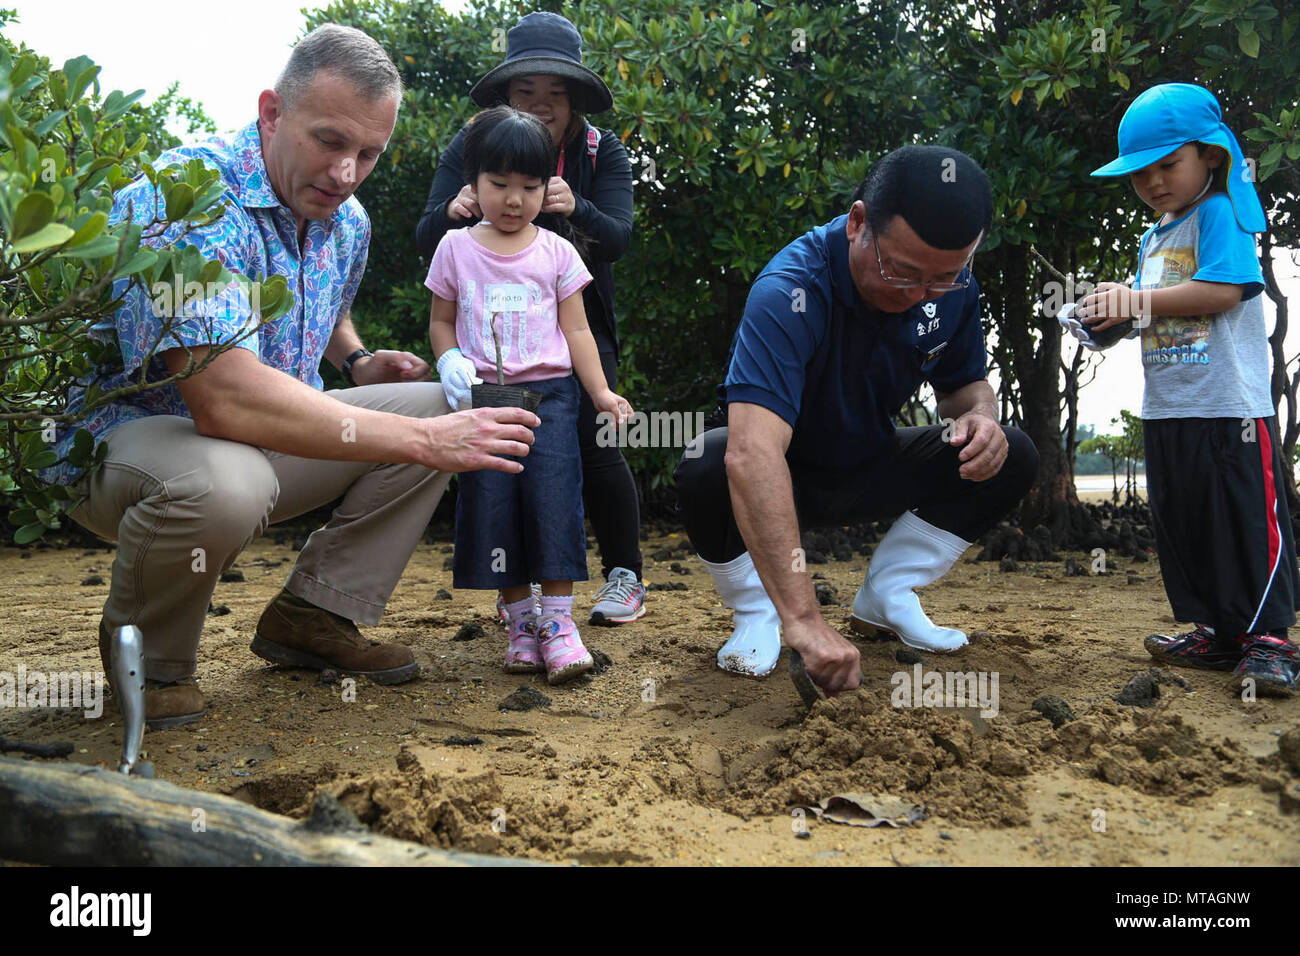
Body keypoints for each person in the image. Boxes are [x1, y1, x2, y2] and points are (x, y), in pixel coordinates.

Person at [41, 25, 539, 728]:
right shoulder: (190, 196)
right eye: (330, 141)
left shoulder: (348, 220)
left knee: (441, 406)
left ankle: (315, 614)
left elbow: (318, 307)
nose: (347, 173)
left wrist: (357, 361)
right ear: (272, 113)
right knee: (226, 479)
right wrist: (423, 442)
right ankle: (150, 667)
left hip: (253, 441)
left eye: (369, 153)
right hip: (127, 447)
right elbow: (221, 396)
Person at [674, 146, 1039, 695]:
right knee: (707, 459)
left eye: (943, 278)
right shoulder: (789, 292)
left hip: (870, 464)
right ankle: (760, 612)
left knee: (1013, 450)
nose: (919, 294)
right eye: (902, 272)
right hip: (783, 483)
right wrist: (806, 622)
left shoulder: (953, 289)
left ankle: (888, 596)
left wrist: (982, 417)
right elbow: (753, 453)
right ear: (858, 223)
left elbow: (963, 388)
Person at [416, 12, 646, 625]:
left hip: (575, 322)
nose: (541, 105)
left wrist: (584, 209)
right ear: (506, 95)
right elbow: (426, 236)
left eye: (555, 94)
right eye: (526, 93)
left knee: (593, 446)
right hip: (489, 345)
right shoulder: (475, 147)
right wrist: (452, 210)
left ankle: (625, 574)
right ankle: (514, 591)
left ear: (574, 100)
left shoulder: (601, 151)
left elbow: (620, 237)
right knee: (503, 460)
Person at [1081, 83, 1299, 695]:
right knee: (1186, 518)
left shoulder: (1221, 212)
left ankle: (1272, 640)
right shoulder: (1156, 236)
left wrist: (1138, 300)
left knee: (1242, 519)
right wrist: (1111, 319)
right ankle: (1220, 632)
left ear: (1210, 154)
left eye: (1167, 166)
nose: (1153, 183)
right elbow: (1156, 311)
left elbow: (1223, 293)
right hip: (1170, 407)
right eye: (1139, 175)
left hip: (1228, 407)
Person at [426, 106, 633, 684]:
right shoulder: (455, 249)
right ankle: (520, 624)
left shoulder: (557, 252)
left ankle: (559, 625)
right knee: (494, 507)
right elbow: (442, 320)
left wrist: (601, 392)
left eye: (530, 185)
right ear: (472, 183)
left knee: (554, 501)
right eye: (499, 184)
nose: (514, 199)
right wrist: (448, 359)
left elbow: (577, 331)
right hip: (485, 398)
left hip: (552, 397)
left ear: (548, 186)